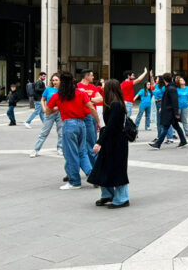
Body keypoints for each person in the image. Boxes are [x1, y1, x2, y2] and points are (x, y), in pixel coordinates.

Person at [45, 72, 101, 190]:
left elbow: (48, 111)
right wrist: (99, 122)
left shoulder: (57, 95)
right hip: (82, 124)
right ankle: (93, 176)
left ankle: (75, 182)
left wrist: (57, 107)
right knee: (82, 152)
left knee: (71, 154)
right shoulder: (80, 93)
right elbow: (91, 107)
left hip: (69, 125)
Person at [88, 80, 131, 209]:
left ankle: (122, 199)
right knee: (104, 167)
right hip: (112, 140)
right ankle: (107, 194)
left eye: (105, 87)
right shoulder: (113, 103)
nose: (103, 88)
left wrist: (99, 142)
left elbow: (111, 126)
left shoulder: (116, 105)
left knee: (117, 169)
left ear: (110, 89)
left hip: (116, 141)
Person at [149, 73, 187, 149]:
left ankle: (158, 144)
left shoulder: (171, 88)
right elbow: (168, 100)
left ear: (164, 80)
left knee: (165, 127)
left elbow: (174, 101)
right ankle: (183, 141)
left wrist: (176, 113)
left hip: (170, 112)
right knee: (176, 127)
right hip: (169, 111)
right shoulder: (169, 87)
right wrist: (162, 107)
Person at [30, 73, 64, 158]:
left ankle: (60, 148)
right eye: (53, 80)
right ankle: (36, 149)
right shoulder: (48, 89)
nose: (54, 82)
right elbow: (42, 99)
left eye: (56, 80)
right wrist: (44, 109)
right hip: (50, 111)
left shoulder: (63, 90)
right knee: (44, 132)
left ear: (60, 81)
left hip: (60, 112)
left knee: (61, 132)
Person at [77, 70, 103, 167]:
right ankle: (94, 167)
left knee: (92, 141)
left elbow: (101, 98)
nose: (93, 77)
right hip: (83, 116)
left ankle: (94, 167)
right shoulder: (78, 86)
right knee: (85, 144)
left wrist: (89, 99)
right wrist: (91, 100)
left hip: (92, 116)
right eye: (92, 75)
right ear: (86, 76)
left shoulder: (93, 87)